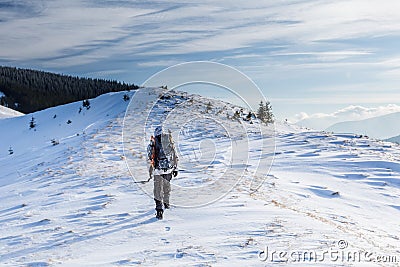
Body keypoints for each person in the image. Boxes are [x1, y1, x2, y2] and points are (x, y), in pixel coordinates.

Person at [147, 126, 178, 219]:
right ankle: (167, 204)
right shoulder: (170, 142)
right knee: (166, 187)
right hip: (168, 169)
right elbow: (175, 156)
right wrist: (176, 168)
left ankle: (159, 210)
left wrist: (150, 171)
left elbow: (150, 158)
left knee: (157, 190)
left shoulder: (153, 143)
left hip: (157, 171)